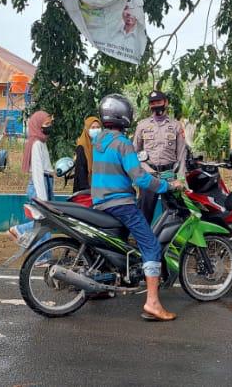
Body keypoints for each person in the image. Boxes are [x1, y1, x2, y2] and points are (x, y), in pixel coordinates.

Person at [92, 94, 183, 322]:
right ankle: (152, 302)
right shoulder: (123, 143)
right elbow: (140, 178)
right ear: (124, 116)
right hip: (121, 204)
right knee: (151, 246)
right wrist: (166, 185)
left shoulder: (99, 141)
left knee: (119, 245)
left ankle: (103, 284)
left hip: (100, 202)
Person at [133, 90, 187, 223]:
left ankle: (168, 242)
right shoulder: (142, 125)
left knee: (174, 213)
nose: (155, 105)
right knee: (145, 213)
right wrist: (144, 169)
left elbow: (181, 154)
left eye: (158, 102)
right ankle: (143, 242)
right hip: (149, 175)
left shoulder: (176, 125)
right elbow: (134, 151)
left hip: (169, 175)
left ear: (165, 102)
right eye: (152, 103)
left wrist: (180, 178)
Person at [8, 111, 54, 245]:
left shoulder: (41, 141)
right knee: (43, 220)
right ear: (38, 124)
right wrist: (42, 199)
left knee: (45, 221)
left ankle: (43, 255)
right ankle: (18, 230)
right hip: (40, 185)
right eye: (46, 124)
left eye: (50, 123)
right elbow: (38, 172)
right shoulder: (36, 144)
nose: (49, 126)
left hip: (44, 183)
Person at [72, 116, 101, 192]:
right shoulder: (82, 147)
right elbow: (81, 171)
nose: (96, 130)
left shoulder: (100, 144)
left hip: (98, 187)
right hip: (85, 188)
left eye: (98, 127)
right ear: (87, 129)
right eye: (93, 127)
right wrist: (86, 190)